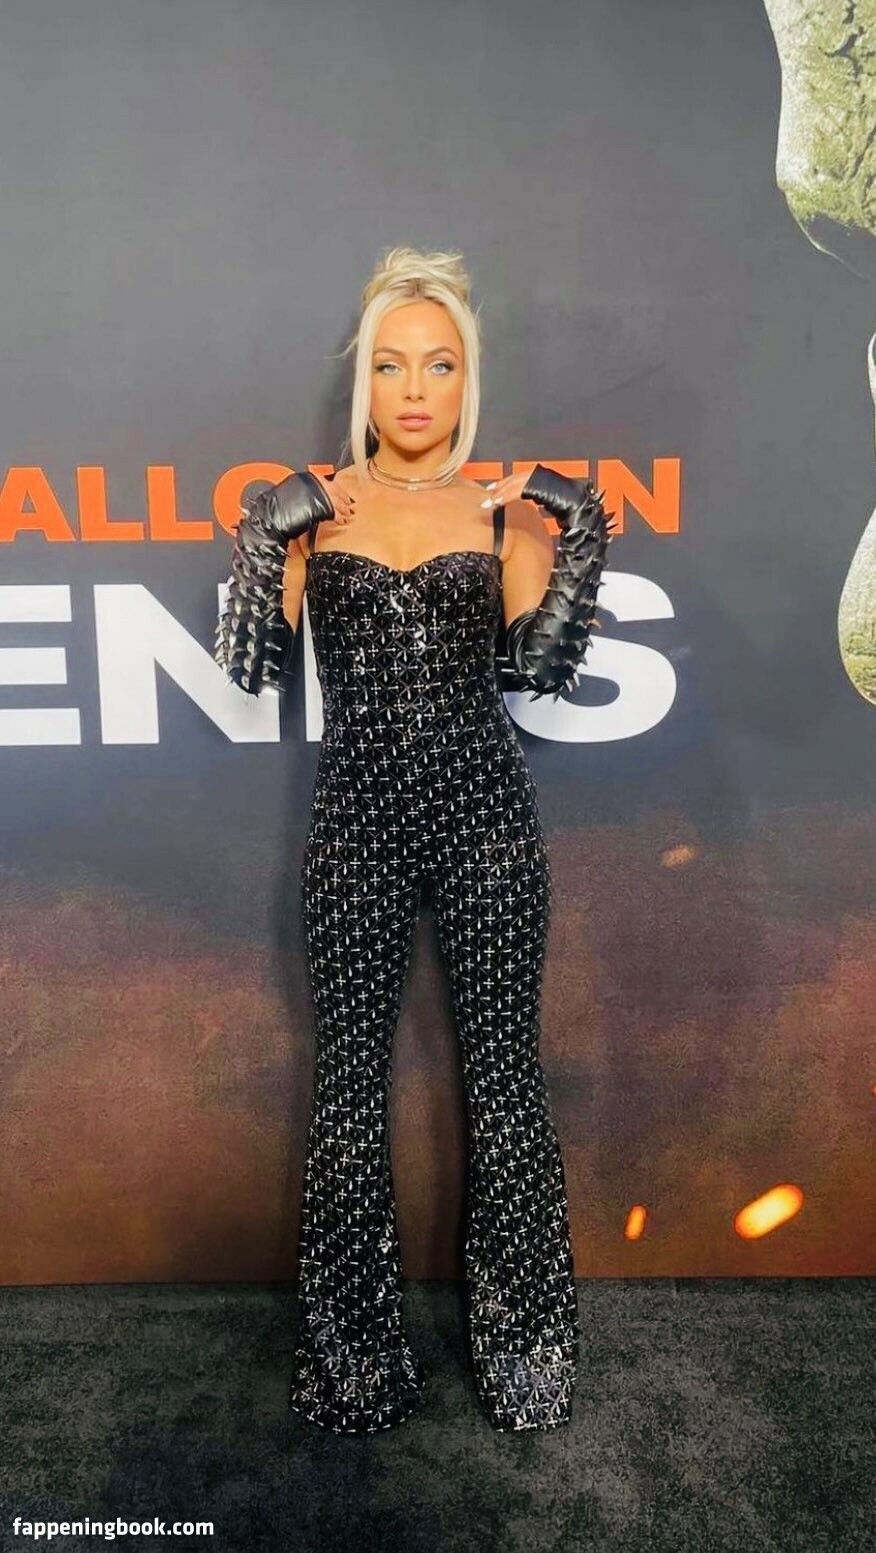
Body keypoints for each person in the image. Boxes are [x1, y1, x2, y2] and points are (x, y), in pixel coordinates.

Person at [215, 245, 616, 1435]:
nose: (415, 388)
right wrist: (262, 534)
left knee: (506, 1083)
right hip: (356, 823)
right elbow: (249, 666)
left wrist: (582, 531)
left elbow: (540, 672)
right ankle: (353, 1363)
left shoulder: (497, 510)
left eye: (439, 364)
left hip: (488, 817)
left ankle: (527, 1355)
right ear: (367, 380)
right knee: (348, 1086)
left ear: (465, 379)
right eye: (392, 364)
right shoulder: (317, 508)